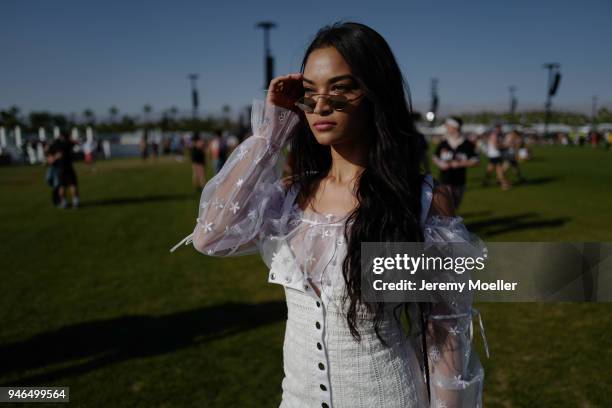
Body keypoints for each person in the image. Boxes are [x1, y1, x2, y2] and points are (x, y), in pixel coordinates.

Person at [171, 21, 486, 408]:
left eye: (340, 88)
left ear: (374, 93)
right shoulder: (290, 197)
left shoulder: (421, 199)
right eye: (309, 94)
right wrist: (271, 133)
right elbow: (210, 237)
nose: (321, 105)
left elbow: (446, 328)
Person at [432, 117, 479, 210]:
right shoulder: (444, 143)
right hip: (444, 181)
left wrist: (460, 164)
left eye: (448, 126)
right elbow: (435, 157)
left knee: (454, 207)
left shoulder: (467, 144)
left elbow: (476, 161)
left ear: (455, 127)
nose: (447, 128)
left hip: (460, 181)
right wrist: (440, 163)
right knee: (446, 207)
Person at [51, 132, 80, 208]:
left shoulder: (58, 144)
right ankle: (75, 201)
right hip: (69, 166)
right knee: (72, 184)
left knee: (62, 186)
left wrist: (53, 158)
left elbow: (56, 152)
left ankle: (64, 202)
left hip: (60, 167)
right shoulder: (68, 143)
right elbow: (76, 142)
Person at [482, 125, 511, 190]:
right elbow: (496, 146)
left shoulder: (496, 135)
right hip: (495, 154)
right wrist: (505, 146)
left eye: (500, 128)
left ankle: (485, 181)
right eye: (499, 129)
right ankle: (503, 184)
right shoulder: (494, 135)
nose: (500, 130)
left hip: (493, 154)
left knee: (490, 169)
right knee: (499, 170)